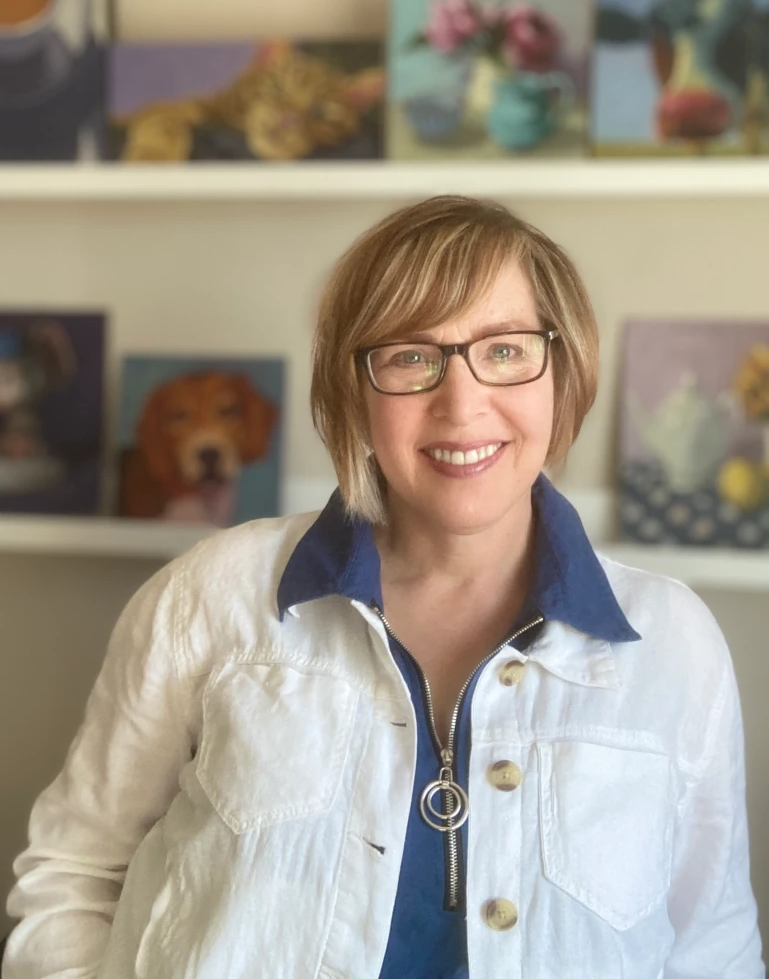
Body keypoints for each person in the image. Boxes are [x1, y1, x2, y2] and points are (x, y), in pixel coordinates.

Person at [3, 196, 764, 978]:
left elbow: (711, 945)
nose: (462, 404)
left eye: (503, 350)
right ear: (354, 394)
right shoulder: (211, 597)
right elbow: (73, 874)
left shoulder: (672, 642)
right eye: (410, 356)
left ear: (561, 372)